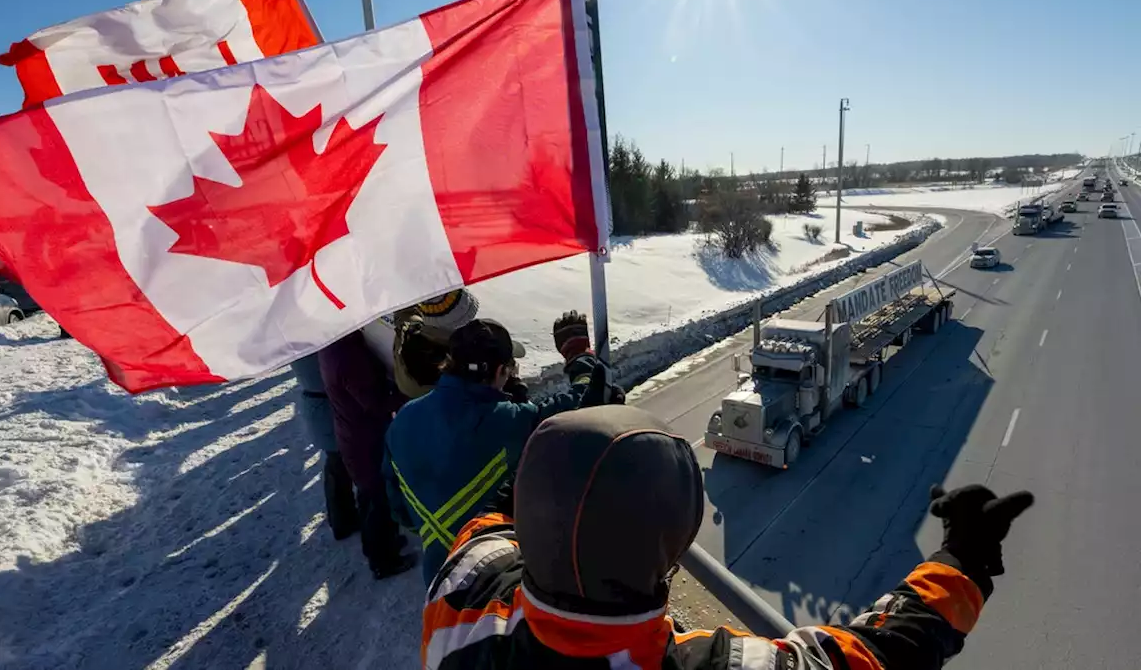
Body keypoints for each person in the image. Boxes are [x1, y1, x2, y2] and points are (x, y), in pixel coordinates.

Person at [422, 405, 1034, 670]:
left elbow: (491, 527)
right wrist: (966, 557)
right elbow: (882, 657)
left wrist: (562, 467)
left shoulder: (461, 590)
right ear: (673, 543)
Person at [384, 312, 623, 586]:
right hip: (496, 577)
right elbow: (580, 403)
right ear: (500, 372)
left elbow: (401, 512)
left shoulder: (402, 420)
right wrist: (578, 357)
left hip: (440, 582)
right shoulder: (503, 421)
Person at [319, 332, 417, 580]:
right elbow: (376, 403)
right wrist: (408, 392)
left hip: (352, 431)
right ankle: (383, 561)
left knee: (369, 494)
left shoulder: (330, 345)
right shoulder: (350, 357)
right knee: (378, 497)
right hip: (366, 438)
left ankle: (381, 544)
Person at [295, 351, 359, 541]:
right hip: (325, 407)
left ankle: (340, 516)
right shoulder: (312, 348)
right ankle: (342, 520)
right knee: (338, 466)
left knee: (335, 465)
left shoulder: (299, 347)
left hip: (317, 404)